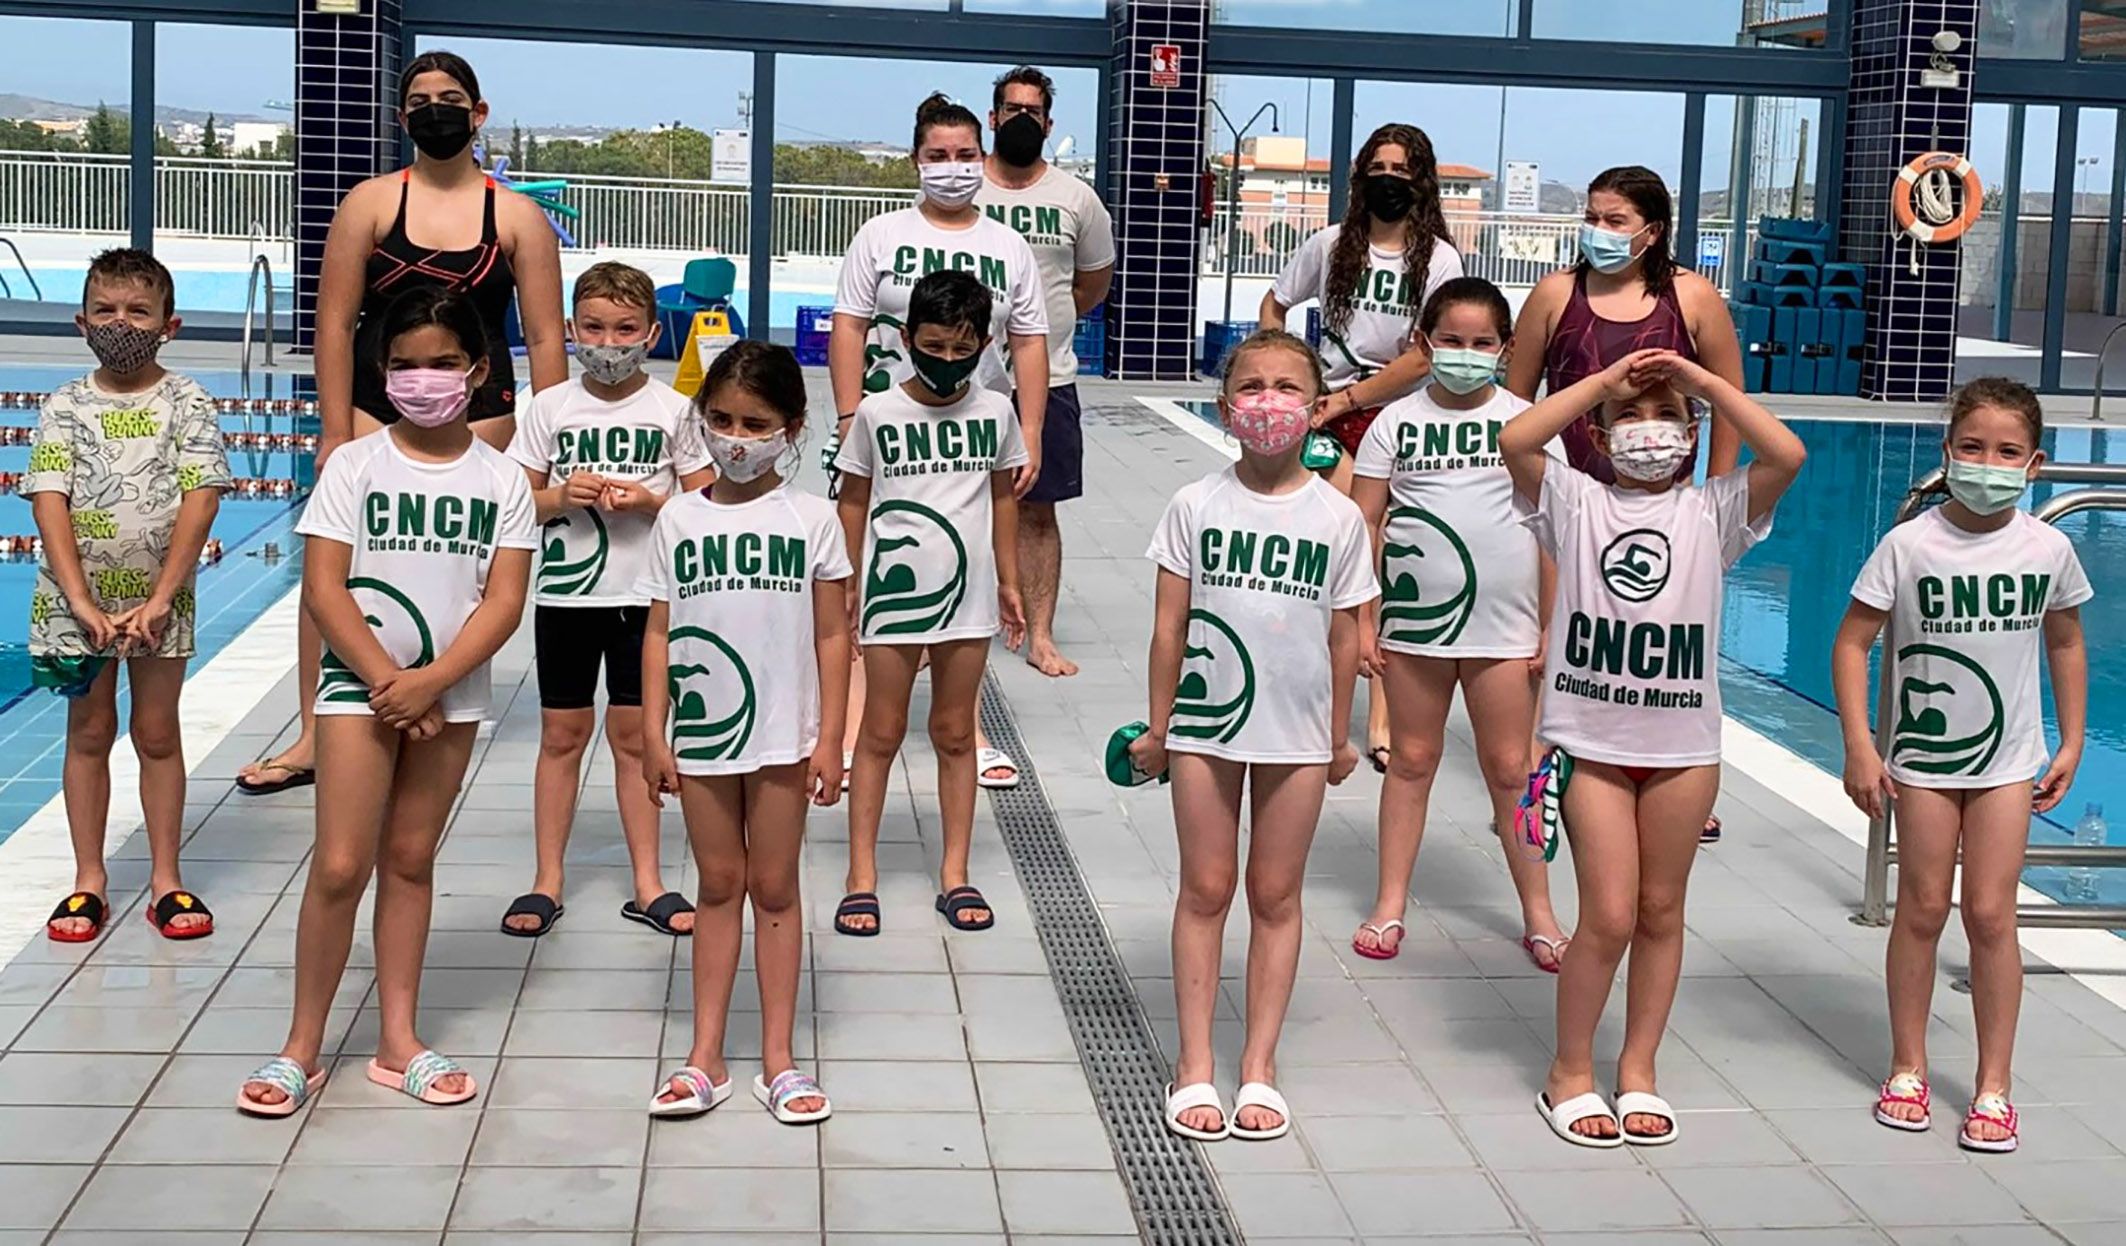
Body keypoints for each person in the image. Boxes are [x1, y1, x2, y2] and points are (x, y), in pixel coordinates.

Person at [238, 287, 535, 1117]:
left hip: (452, 691)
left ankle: (397, 1040)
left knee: (410, 860)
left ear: (477, 372)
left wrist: (432, 683)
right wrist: (387, 684)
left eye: (441, 363)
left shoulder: (501, 478)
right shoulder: (354, 465)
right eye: (404, 366)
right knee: (339, 864)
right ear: (381, 373)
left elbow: (503, 602)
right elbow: (325, 588)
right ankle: (302, 1044)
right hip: (356, 686)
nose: (422, 379)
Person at [236, 49, 564, 799]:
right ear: (400, 117)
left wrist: (549, 439)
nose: (434, 109)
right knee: (336, 576)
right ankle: (317, 731)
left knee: (455, 570)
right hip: (371, 407)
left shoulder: (515, 216)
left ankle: (434, 694)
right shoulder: (371, 203)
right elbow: (331, 322)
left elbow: (546, 337)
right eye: (419, 99)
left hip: (482, 416)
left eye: (450, 98)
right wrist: (330, 428)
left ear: (478, 115)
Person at [1501, 347, 1802, 1148]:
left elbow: (1788, 454)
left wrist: (1703, 383)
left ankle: (1638, 1068)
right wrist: (1603, 383)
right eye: (1630, 418)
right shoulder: (1574, 502)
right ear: (1598, 435)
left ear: (1694, 432)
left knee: (1662, 911)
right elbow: (1517, 441)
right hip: (1591, 746)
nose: (1648, 430)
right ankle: (1569, 1070)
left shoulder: (1714, 512)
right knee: (1606, 914)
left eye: (1666, 417)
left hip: (1683, 750)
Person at [1132, 329, 1377, 1143]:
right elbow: (1169, 627)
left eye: (1285, 388)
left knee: (1276, 896)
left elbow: (1346, 637)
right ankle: (1194, 1061)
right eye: (1251, 387)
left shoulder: (1339, 517)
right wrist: (1159, 726)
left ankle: (1260, 1065)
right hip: (1205, 728)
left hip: (1299, 735)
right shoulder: (1195, 504)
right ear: (1223, 403)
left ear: (1314, 410)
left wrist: (1342, 737)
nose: (1267, 402)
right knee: (1205, 890)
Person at [1833, 378, 2088, 1155]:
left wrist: (2072, 740)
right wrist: (1858, 743)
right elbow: (1852, 642)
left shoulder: (2048, 547)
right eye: (1972, 448)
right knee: (1919, 909)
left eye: (2006, 452)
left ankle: (1993, 1085)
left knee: (1989, 915)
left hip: (2008, 762)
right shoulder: (1909, 545)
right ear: (1947, 454)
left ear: (2034, 463)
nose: (1988, 463)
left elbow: (2067, 642)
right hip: (1925, 761)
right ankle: (1907, 1066)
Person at [1506, 163, 1746, 844]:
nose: (1599, 232)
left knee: (1666, 636)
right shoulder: (1556, 294)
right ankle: (1553, 765)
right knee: (1562, 639)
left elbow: (1730, 400)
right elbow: (1518, 399)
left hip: (1667, 501)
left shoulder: (1691, 298)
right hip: (1573, 498)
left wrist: (1714, 493)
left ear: (1652, 231)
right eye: (1593, 216)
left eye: (1615, 221)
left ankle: (1673, 771)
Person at [643, 341, 849, 1125]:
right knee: (717, 885)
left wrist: (830, 738)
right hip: (700, 739)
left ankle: (778, 1059)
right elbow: (658, 632)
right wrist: (654, 734)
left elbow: (835, 637)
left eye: (755, 423)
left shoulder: (812, 519)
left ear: (791, 428)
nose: (736, 437)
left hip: (782, 737)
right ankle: (704, 1056)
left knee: (774, 887)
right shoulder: (679, 518)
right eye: (721, 420)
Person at [830, 91, 1048, 793]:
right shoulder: (880, 235)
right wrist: (844, 416)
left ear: (980, 160)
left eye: (962, 157)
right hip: (889, 431)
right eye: (936, 156)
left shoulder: (1006, 245)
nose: (951, 169)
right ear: (915, 160)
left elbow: (1029, 341)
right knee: (875, 575)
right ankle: (855, 722)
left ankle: (969, 728)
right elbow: (849, 326)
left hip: (970, 437)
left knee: (967, 575)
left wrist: (1032, 429)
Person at [1348, 276, 1569, 971]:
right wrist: (1363, 619)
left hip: (1505, 628)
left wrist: (1550, 627)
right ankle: (1389, 901)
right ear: (1424, 343)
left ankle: (1539, 910)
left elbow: (1552, 532)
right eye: (1450, 341)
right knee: (1411, 761)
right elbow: (1363, 526)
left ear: (1504, 350)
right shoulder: (1396, 422)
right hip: (1416, 626)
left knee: (1511, 769)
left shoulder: (1526, 422)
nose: (1465, 353)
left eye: (1481, 344)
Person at [500, 262, 715, 939]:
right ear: (571, 331)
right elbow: (511, 504)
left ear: (652, 334)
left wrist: (655, 503)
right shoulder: (549, 408)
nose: (609, 341)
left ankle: (648, 881)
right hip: (566, 596)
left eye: (625, 329)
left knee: (634, 739)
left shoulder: (673, 410)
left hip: (646, 601)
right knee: (562, 736)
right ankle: (546, 879)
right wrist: (560, 498)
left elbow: (710, 506)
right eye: (594, 327)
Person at [34, 248, 232, 943]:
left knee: (156, 732)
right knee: (88, 732)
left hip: (161, 601)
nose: (122, 323)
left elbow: (201, 498)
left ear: (168, 324)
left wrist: (162, 596)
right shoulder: (64, 404)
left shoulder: (186, 401)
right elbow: (48, 502)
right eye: (107, 310)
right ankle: (88, 879)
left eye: (138, 311)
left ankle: (166, 879)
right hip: (71, 604)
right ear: (80, 321)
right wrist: (82, 601)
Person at [1261, 122, 1462, 773]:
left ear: (1421, 180)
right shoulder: (1328, 245)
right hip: (1327, 420)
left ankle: (1375, 713)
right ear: (1359, 177)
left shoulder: (1439, 261)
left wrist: (1344, 400)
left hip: (1393, 420)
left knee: (1380, 562)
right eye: (1379, 166)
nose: (1389, 178)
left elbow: (1425, 358)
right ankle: (1307, 693)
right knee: (1334, 555)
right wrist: (1289, 371)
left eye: (1402, 169)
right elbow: (1275, 302)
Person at [833, 271, 1028, 938]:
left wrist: (1009, 581)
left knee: (953, 733)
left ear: (984, 345)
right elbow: (853, 502)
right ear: (907, 337)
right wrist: (847, 582)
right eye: (934, 345)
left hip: (968, 598)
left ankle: (955, 870)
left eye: (962, 349)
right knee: (879, 733)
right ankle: (862, 874)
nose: (947, 361)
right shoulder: (877, 412)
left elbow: (1003, 498)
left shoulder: (996, 413)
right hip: (892, 596)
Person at [979, 64, 1115, 681]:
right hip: (964, 381)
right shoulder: (965, 190)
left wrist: (1041, 332)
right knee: (951, 503)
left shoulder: (1075, 198)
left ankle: (1039, 635)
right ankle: (953, 626)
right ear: (994, 117)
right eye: (1013, 109)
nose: (1023, 120)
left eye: (1034, 111)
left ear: (1049, 122)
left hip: (1050, 378)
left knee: (1038, 509)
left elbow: (1092, 283)